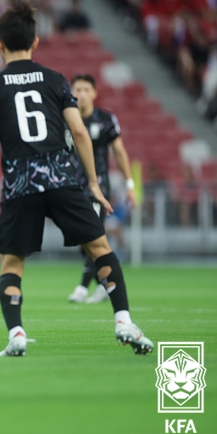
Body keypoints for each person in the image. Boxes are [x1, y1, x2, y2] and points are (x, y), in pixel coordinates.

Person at [0, 0, 153, 357]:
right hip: (62, 178)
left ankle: (17, 333)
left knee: (12, 264)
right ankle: (124, 321)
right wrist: (95, 183)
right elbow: (80, 133)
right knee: (100, 248)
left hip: (20, 184)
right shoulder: (55, 80)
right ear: (36, 42)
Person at [66, 74, 137, 304]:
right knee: (82, 239)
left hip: (98, 189)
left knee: (91, 233)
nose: (82, 93)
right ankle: (104, 285)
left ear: (94, 93)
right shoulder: (65, 119)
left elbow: (119, 152)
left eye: (86, 89)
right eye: (77, 89)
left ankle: (82, 286)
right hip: (71, 188)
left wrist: (129, 185)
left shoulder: (106, 119)